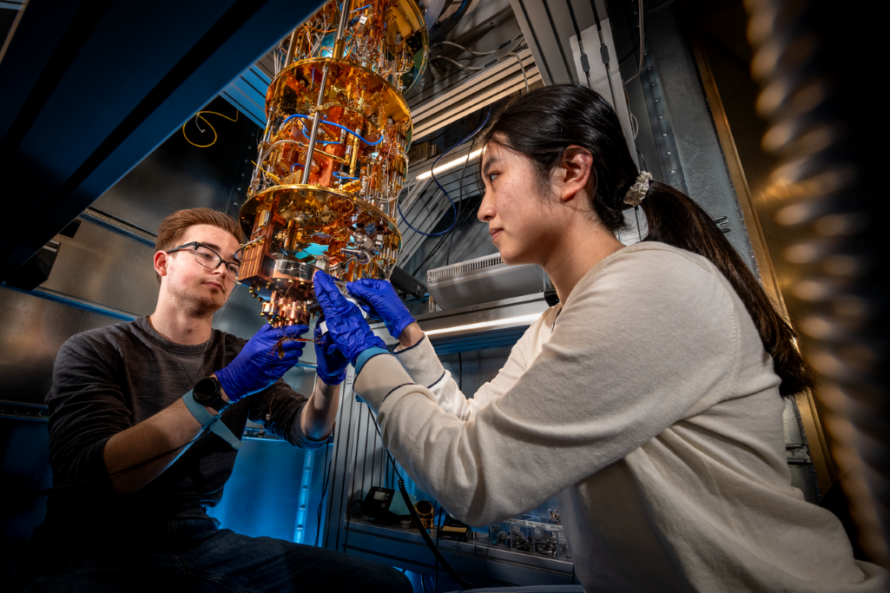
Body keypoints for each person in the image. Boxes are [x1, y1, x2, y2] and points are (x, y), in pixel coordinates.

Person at [311, 86, 888, 591]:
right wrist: (410, 338)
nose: (483, 208)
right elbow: (469, 424)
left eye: (494, 176)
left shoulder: (651, 284)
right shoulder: (554, 324)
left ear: (571, 172)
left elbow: (474, 480)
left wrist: (370, 359)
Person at [16, 208, 410, 593]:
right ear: (162, 263)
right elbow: (96, 482)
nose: (222, 269)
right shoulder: (96, 349)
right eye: (205, 254)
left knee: (384, 583)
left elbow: (306, 432)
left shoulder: (238, 354)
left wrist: (329, 378)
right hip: (91, 543)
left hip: (197, 540)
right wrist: (224, 388)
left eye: (233, 264)